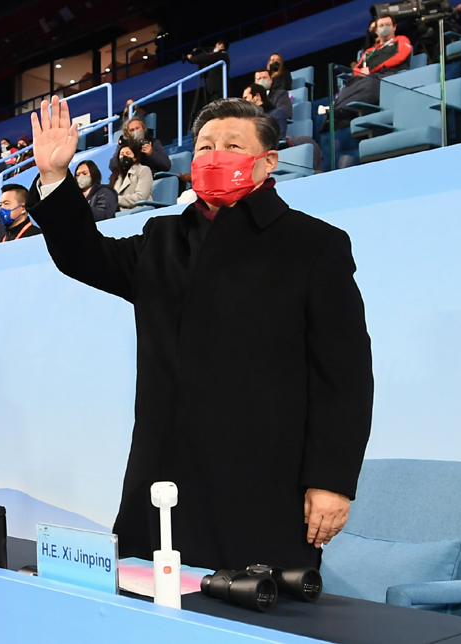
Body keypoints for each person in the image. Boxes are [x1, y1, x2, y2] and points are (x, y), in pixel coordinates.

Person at [26, 95, 373, 572]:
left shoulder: (313, 244)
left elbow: (344, 374)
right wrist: (53, 177)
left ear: (268, 161)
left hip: (262, 484)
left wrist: (331, 480)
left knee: (256, 609)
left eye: (233, 145)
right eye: (206, 146)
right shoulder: (162, 239)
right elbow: (82, 255)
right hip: (160, 479)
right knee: (144, 598)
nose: (215, 155)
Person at [327, 15, 412, 131]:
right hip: (368, 78)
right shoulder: (369, 51)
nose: (385, 27)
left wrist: (372, 70)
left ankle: (343, 111)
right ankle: (336, 114)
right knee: (347, 87)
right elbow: (356, 70)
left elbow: (400, 56)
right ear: (376, 30)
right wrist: (361, 72)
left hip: (388, 76)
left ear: (394, 27)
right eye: (381, 25)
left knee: (369, 84)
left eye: (388, 24)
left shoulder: (401, 40)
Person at [187, 40, 230, 104]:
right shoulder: (223, 56)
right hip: (219, 88)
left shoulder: (220, 55)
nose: (215, 48)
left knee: (217, 107)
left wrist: (191, 58)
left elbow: (205, 58)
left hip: (218, 89)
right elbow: (207, 62)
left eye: (216, 46)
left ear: (221, 45)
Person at [111, 145, 153, 211]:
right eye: (121, 154)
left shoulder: (143, 170)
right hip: (120, 211)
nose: (124, 156)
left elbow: (140, 197)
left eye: (128, 153)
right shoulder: (117, 176)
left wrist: (116, 200)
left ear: (135, 158)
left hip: (140, 209)